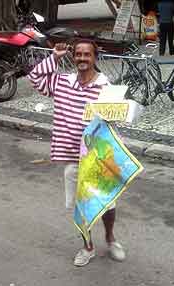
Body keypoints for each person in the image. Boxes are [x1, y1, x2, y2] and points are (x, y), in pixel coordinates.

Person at [28, 39, 126, 267]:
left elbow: (113, 120)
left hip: (97, 157)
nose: (82, 59)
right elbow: (34, 78)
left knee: (107, 204)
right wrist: (54, 57)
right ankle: (87, 246)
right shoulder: (62, 82)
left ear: (95, 58)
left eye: (87, 55)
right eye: (78, 54)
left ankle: (110, 238)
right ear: (74, 57)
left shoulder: (105, 86)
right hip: (72, 156)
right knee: (80, 207)